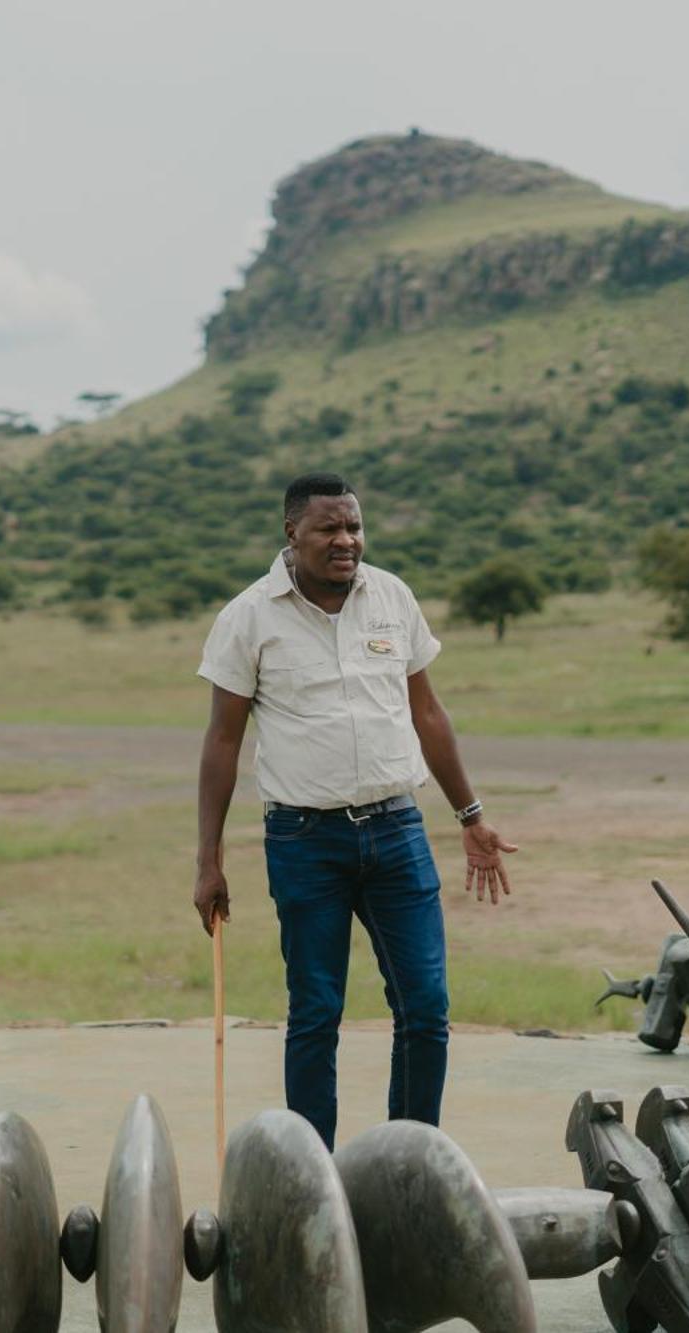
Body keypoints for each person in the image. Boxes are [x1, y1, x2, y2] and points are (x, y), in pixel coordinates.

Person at [193, 471, 519, 1148]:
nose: (347, 540)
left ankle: (410, 1162)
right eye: (329, 528)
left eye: (354, 527)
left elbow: (427, 712)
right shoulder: (249, 616)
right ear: (292, 533)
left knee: (425, 1009)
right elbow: (222, 742)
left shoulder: (392, 597)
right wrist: (209, 862)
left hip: (398, 829)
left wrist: (471, 815)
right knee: (316, 1012)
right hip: (303, 840)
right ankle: (316, 1179)